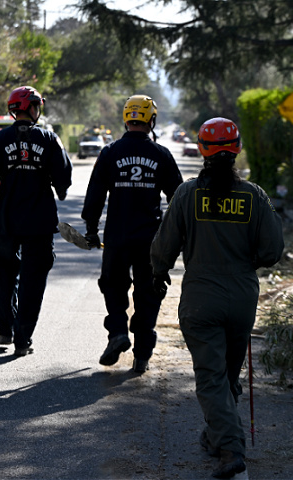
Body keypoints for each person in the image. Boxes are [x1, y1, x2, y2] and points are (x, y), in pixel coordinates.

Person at [150, 117, 284, 478]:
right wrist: (246, 264)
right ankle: (214, 437)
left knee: (212, 377)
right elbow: (272, 250)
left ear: (202, 149)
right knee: (225, 374)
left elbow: (164, 247)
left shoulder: (187, 194)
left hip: (200, 300)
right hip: (242, 299)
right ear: (237, 147)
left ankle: (230, 449)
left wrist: (158, 273)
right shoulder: (253, 196)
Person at [82, 94, 183, 373]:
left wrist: (91, 229)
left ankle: (117, 333)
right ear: (152, 120)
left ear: (126, 119)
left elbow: (95, 196)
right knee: (149, 293)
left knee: (113, 286)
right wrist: (178, 238)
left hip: (117, 237)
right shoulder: (161, 155)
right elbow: (179, 198)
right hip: (151, 240)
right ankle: (142, 355)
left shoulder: (110, 152)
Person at [0, 86, 73, 357]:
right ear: (32, 108)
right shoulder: (50, 140)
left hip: (6, 218)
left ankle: (5, 329)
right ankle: (22, 339)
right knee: (33, 278)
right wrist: (58, 188)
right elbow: (64, 177)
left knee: (5, 271)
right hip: (39, 221)